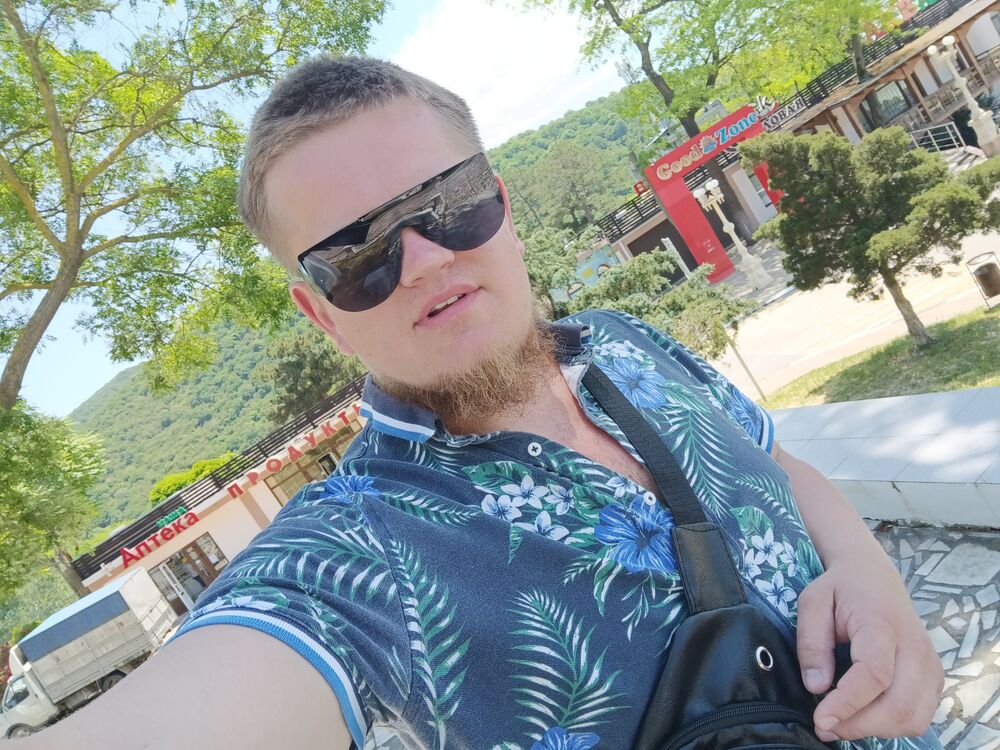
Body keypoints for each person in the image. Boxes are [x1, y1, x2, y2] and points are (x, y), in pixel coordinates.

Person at [22, 56, 944, 750]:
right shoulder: (358, 550)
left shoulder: (625, 341)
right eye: (357, 256)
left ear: (501, 200)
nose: (427, 259)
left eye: (449, 200)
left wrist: (869, 573)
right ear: (321, 315)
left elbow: (775, 460)